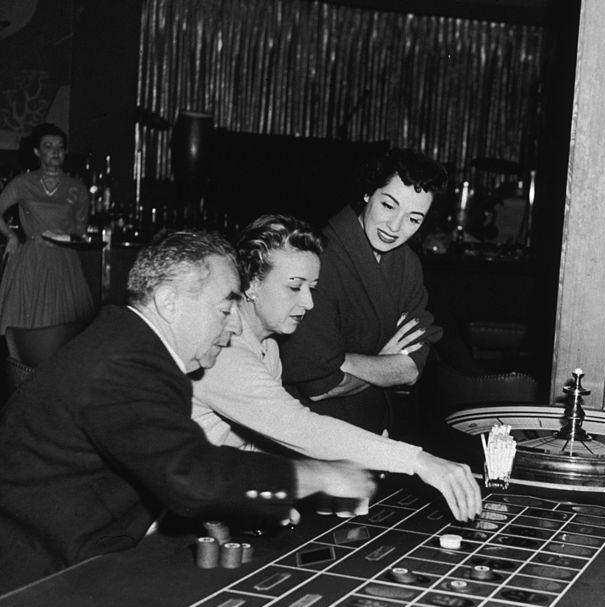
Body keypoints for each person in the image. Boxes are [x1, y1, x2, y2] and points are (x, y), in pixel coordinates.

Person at [0, 230, 374, 595]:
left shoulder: (132, 345)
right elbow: (191, 474)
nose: (234, 326)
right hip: (31, 580)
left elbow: (157, 461)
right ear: (169, 301)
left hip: (67, 550)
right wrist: (314, 474)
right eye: (226, 307)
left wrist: (224, 506)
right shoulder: (127, 364)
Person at [191, 214, 481, 521]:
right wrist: (421, 461)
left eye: (312, 288)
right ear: (251, 283)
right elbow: (298, 427)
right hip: (161, 528)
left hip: (213, 507)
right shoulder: (222, 350)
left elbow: (255, 441)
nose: (309, 303)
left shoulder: (269, 347)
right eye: (294, 287)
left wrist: (285, 489)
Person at [278, 148, 445, 434]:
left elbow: (412, 367)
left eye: (413, 219)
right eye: (388, 205)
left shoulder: (407, 265)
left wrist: (345, 362)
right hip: (311, 430)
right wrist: (384, 362)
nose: (395, 227)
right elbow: (319, 386)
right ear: (368, 193)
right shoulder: (318, 258)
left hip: (373, 426)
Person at [0, 123, 94, 345]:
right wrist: (11, 237)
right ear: (36, 152)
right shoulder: (23, 183)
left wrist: (66, 237)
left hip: (64, 262)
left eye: (60, 147)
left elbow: (80, 232)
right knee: (27, 331)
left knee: (66, 333)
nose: (55, 151)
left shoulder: (77, 188)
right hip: (32, 260)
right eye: (48, 146)